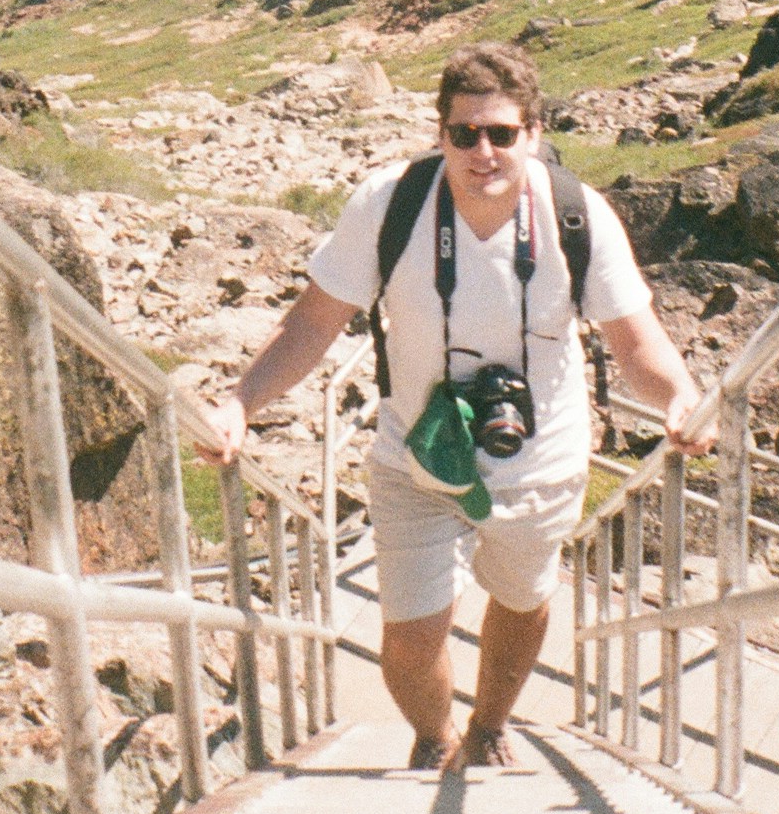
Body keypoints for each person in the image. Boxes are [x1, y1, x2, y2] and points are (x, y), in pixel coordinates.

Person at [199, 40, 709, 773]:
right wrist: (239, 402)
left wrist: (681, 397)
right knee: (409, 636)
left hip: (539, 453)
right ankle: (435, 736)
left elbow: (634, 344)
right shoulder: (391, 204)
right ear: (439, 132)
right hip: (418, 450)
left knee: (523, 599)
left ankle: (490, 724)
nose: (482, 151)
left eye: (501, 133)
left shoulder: (576, 215)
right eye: (463, 133)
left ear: (532, 134)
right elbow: (313, 321)